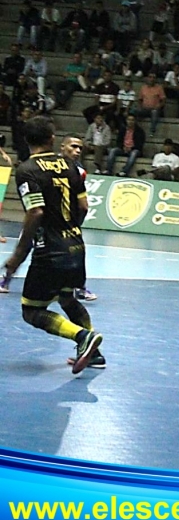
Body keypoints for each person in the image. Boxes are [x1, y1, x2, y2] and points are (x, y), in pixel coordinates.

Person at [2, 117, 102, 373]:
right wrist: (70, 229)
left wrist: (18, 256)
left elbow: (35, 212)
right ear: (52, 139)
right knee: (67, 299)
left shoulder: (27, 169)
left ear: (26, 140)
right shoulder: (71, 166)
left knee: (32, 311)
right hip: (76, 246)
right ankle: (94, 355)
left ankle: (83, 337)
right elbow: (83, 207)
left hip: (50, 252)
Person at [60, 134, 99, 304]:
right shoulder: (47, 165)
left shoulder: (80, 172)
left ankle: (79, 288)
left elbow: (82, 204)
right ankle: (6, 278)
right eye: (73, 147)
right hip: (45, 217)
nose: (77, 151)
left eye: (80, 148)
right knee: (26, 246)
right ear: (62, 147)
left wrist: (76, 223)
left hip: (66, 220)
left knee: (76, 253)